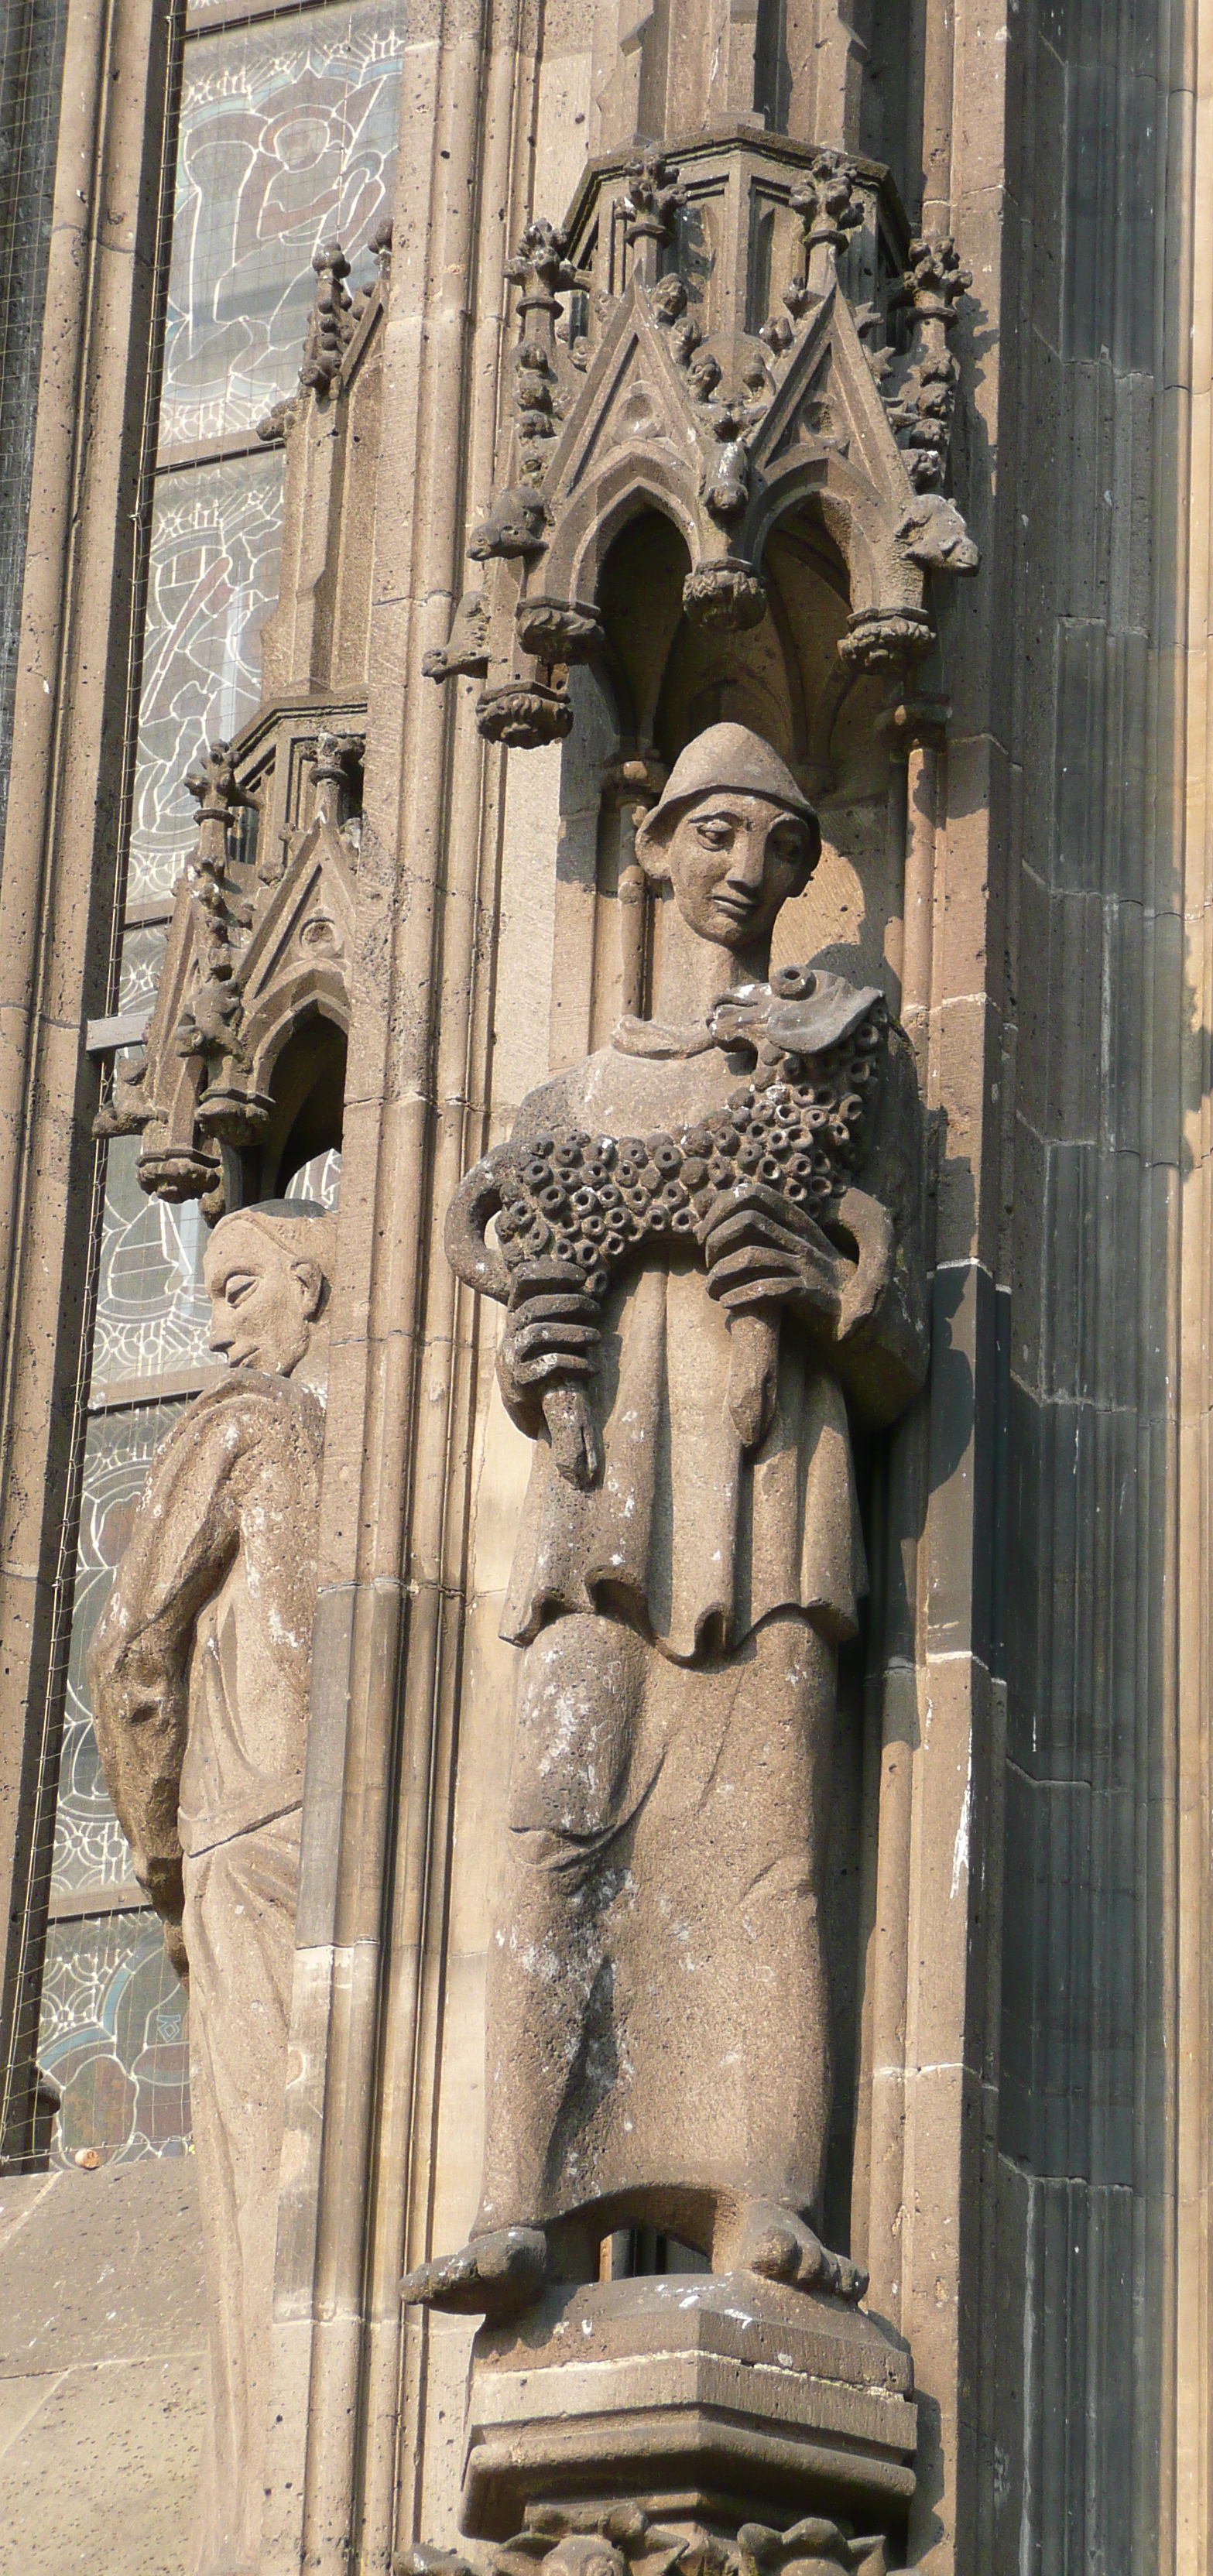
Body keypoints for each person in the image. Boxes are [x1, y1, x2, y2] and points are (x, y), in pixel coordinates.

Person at [406, 726, 926, 2321]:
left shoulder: (831, 1066)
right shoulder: (573, 1093)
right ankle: (519, 2198)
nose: (743, 871)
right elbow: (521, 1284)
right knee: (558, 1825)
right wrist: (534, 1350)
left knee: (771, 1845)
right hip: (602, 1509)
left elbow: (894, 1331)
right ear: (651, 847)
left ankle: (768, 2196)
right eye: (709, 834)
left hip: (770, 1502)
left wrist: (827, 1291)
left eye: (773, 842)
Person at [89, 1199, 334, 2576]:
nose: (220, 1319)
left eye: (241, 1286)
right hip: (361, 1839)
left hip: (242, 1833)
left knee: (259, 2197)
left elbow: (133, 1637)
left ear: (310, 1284)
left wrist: (158, 1850)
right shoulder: (388, 1433)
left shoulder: (249, 1421)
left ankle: (268, 2518)